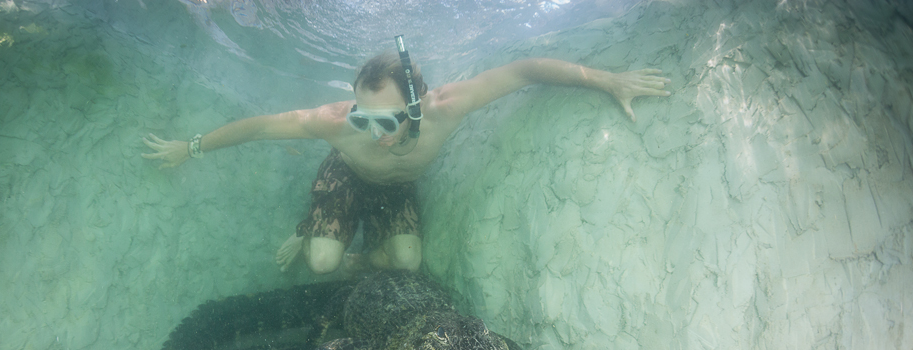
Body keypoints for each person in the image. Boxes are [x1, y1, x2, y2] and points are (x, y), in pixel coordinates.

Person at [142, 39, 670, 274]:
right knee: (321, 265)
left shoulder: (446, 108)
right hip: (344, 179)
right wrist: (190, 148)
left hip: (396, 186)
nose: (377, 134)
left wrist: (606, 81)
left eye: (391, 121)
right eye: (364, 118)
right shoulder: (336, 124)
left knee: (407, 264)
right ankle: (311, 230)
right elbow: (259, 128)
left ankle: (358, 247)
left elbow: (525, 70)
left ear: (418, 107)